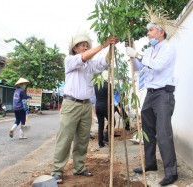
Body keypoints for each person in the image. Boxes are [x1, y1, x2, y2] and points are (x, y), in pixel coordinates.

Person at [51, 34, 118, 184]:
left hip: (86, 105)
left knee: (82, 139)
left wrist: (112, 46)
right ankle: (57, 170)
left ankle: (79, 167)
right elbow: (84, 57)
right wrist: (104, 44)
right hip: (71, 105)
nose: (86, 47)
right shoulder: (70, 60)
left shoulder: (90, 65)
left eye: (87, 45)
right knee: (65, 138)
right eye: (82, 45)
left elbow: (106, 61)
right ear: (75, 49)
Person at [126, 10, 180, 186]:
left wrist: (138, 55)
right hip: (150, 95)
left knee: (163, 133)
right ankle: (150, 164)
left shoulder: (169, 49)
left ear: (161, 32)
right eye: (148, 31)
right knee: (148, 131)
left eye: (151, 31)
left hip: (163, 95)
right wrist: (131, 55)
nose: (148, 34)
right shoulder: (150, 50)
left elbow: (156, 66)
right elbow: (140, 67)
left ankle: (171, 172)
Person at [94, 80, 114, 148]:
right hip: (106, 106)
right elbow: (111, 97)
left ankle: (100, 143)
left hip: (97, 106)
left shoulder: (96, 85)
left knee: (101, 125)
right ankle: (106, 138)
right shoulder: (108, 85)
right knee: (112, 121)